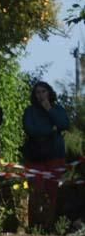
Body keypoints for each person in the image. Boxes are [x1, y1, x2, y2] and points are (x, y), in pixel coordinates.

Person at [23, 81, 69, 226]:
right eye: (37, 92)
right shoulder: (30, 111)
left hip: (55, 156)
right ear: (34, 95)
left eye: (43, 91)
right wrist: (51, 131)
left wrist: (49, 110)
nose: (41, 95)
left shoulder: (57, 109)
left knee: (54, 192)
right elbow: (30, 129)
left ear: (49, 93)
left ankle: (53, 225)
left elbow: (64, 125)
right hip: (35, 157)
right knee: (37, 191)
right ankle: (35, 226)